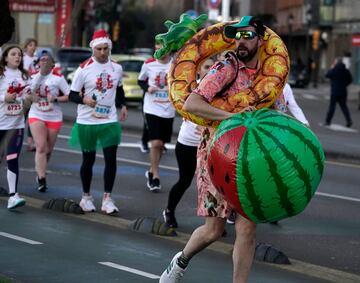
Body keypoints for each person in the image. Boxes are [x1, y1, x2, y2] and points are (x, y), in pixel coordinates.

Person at [159, 16, 268, 283]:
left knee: (247, 228)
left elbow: (278, 111)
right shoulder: (226, 67)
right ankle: (181, 260)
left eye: (248, 35)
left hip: (249, 157)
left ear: (262, 39)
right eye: (238, 35)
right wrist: (231, 117)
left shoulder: (271, 75)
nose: (242, 41)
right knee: (213, 230)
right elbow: (193, 104)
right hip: (217, 155)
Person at [68, 29, 128, 215]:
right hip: (87, 121)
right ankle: (86, 197)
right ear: (93, 49)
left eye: (106, 48)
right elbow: (71, 95)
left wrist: (123, 105)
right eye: (99, 49)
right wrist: (85, 100)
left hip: (109, 119)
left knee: (111, 159)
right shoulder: (83, 69)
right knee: (89, 160)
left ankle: (107, 199)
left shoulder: (116, 67)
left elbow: (119, 89)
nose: (103, 52)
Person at [162, 58, 214, 228]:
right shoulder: (192, 88)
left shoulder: (220, 90)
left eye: (213, 66)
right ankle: (169, 210)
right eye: (207, 67)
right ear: (198, 71)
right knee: (184, 181)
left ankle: (214, 222)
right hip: (187, 143)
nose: (211, 69)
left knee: (212, 184)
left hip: (210, 145)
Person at [28, 51, 70, 192]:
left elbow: (69, 95)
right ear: (38, 62)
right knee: (41, 147)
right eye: (42, 59)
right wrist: (31, 97)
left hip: (54, 115)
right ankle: (41, 178)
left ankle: (41, 169)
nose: (45, 61)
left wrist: (56, 98)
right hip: (36, 113)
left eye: (48, 59)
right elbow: (25, 93)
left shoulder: (58, 78)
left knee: (48, 150)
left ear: (52, 63)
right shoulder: (32, 77)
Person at [138, 42, 174, 192]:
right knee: (156, 143)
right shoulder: (148, 64)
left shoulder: (175, 63)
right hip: (151, 108)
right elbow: (140, 81)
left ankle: (152, 170)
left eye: (162, 49)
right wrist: (148, 88)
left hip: (168, 108)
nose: (158, 52)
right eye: (156, 49)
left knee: (160, 145)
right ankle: (155, 176)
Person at [0, 45, 32, 209]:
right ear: (5, 57)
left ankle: (13, 195)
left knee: (12, 158)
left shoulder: (25, 76)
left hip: (16, 124)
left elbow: (28, 96)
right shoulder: (1, 73)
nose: (17, 57)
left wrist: (28, 98)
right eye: (13, 54)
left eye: (19, 54)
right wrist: (4, 97)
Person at [325, 58, 353, 128]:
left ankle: (328, 121)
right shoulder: (346, 71)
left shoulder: (334, 70)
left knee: (332, 107)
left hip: (335, 91)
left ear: (336, 63)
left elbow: (327, 75)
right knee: (344, 107)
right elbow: (350, 80)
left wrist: (331, 68)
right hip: (343, 92)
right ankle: (349, 120)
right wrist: (344, 85)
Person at [22, 38, 38, 152]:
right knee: (21, 117)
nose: (33, 47)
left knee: (33, 118)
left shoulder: (37, 59)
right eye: (30, 45)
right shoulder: (22, 58)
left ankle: (30, 143)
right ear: (26, 46)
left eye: (34, 45)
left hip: (35, 91)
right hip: (24, 92)